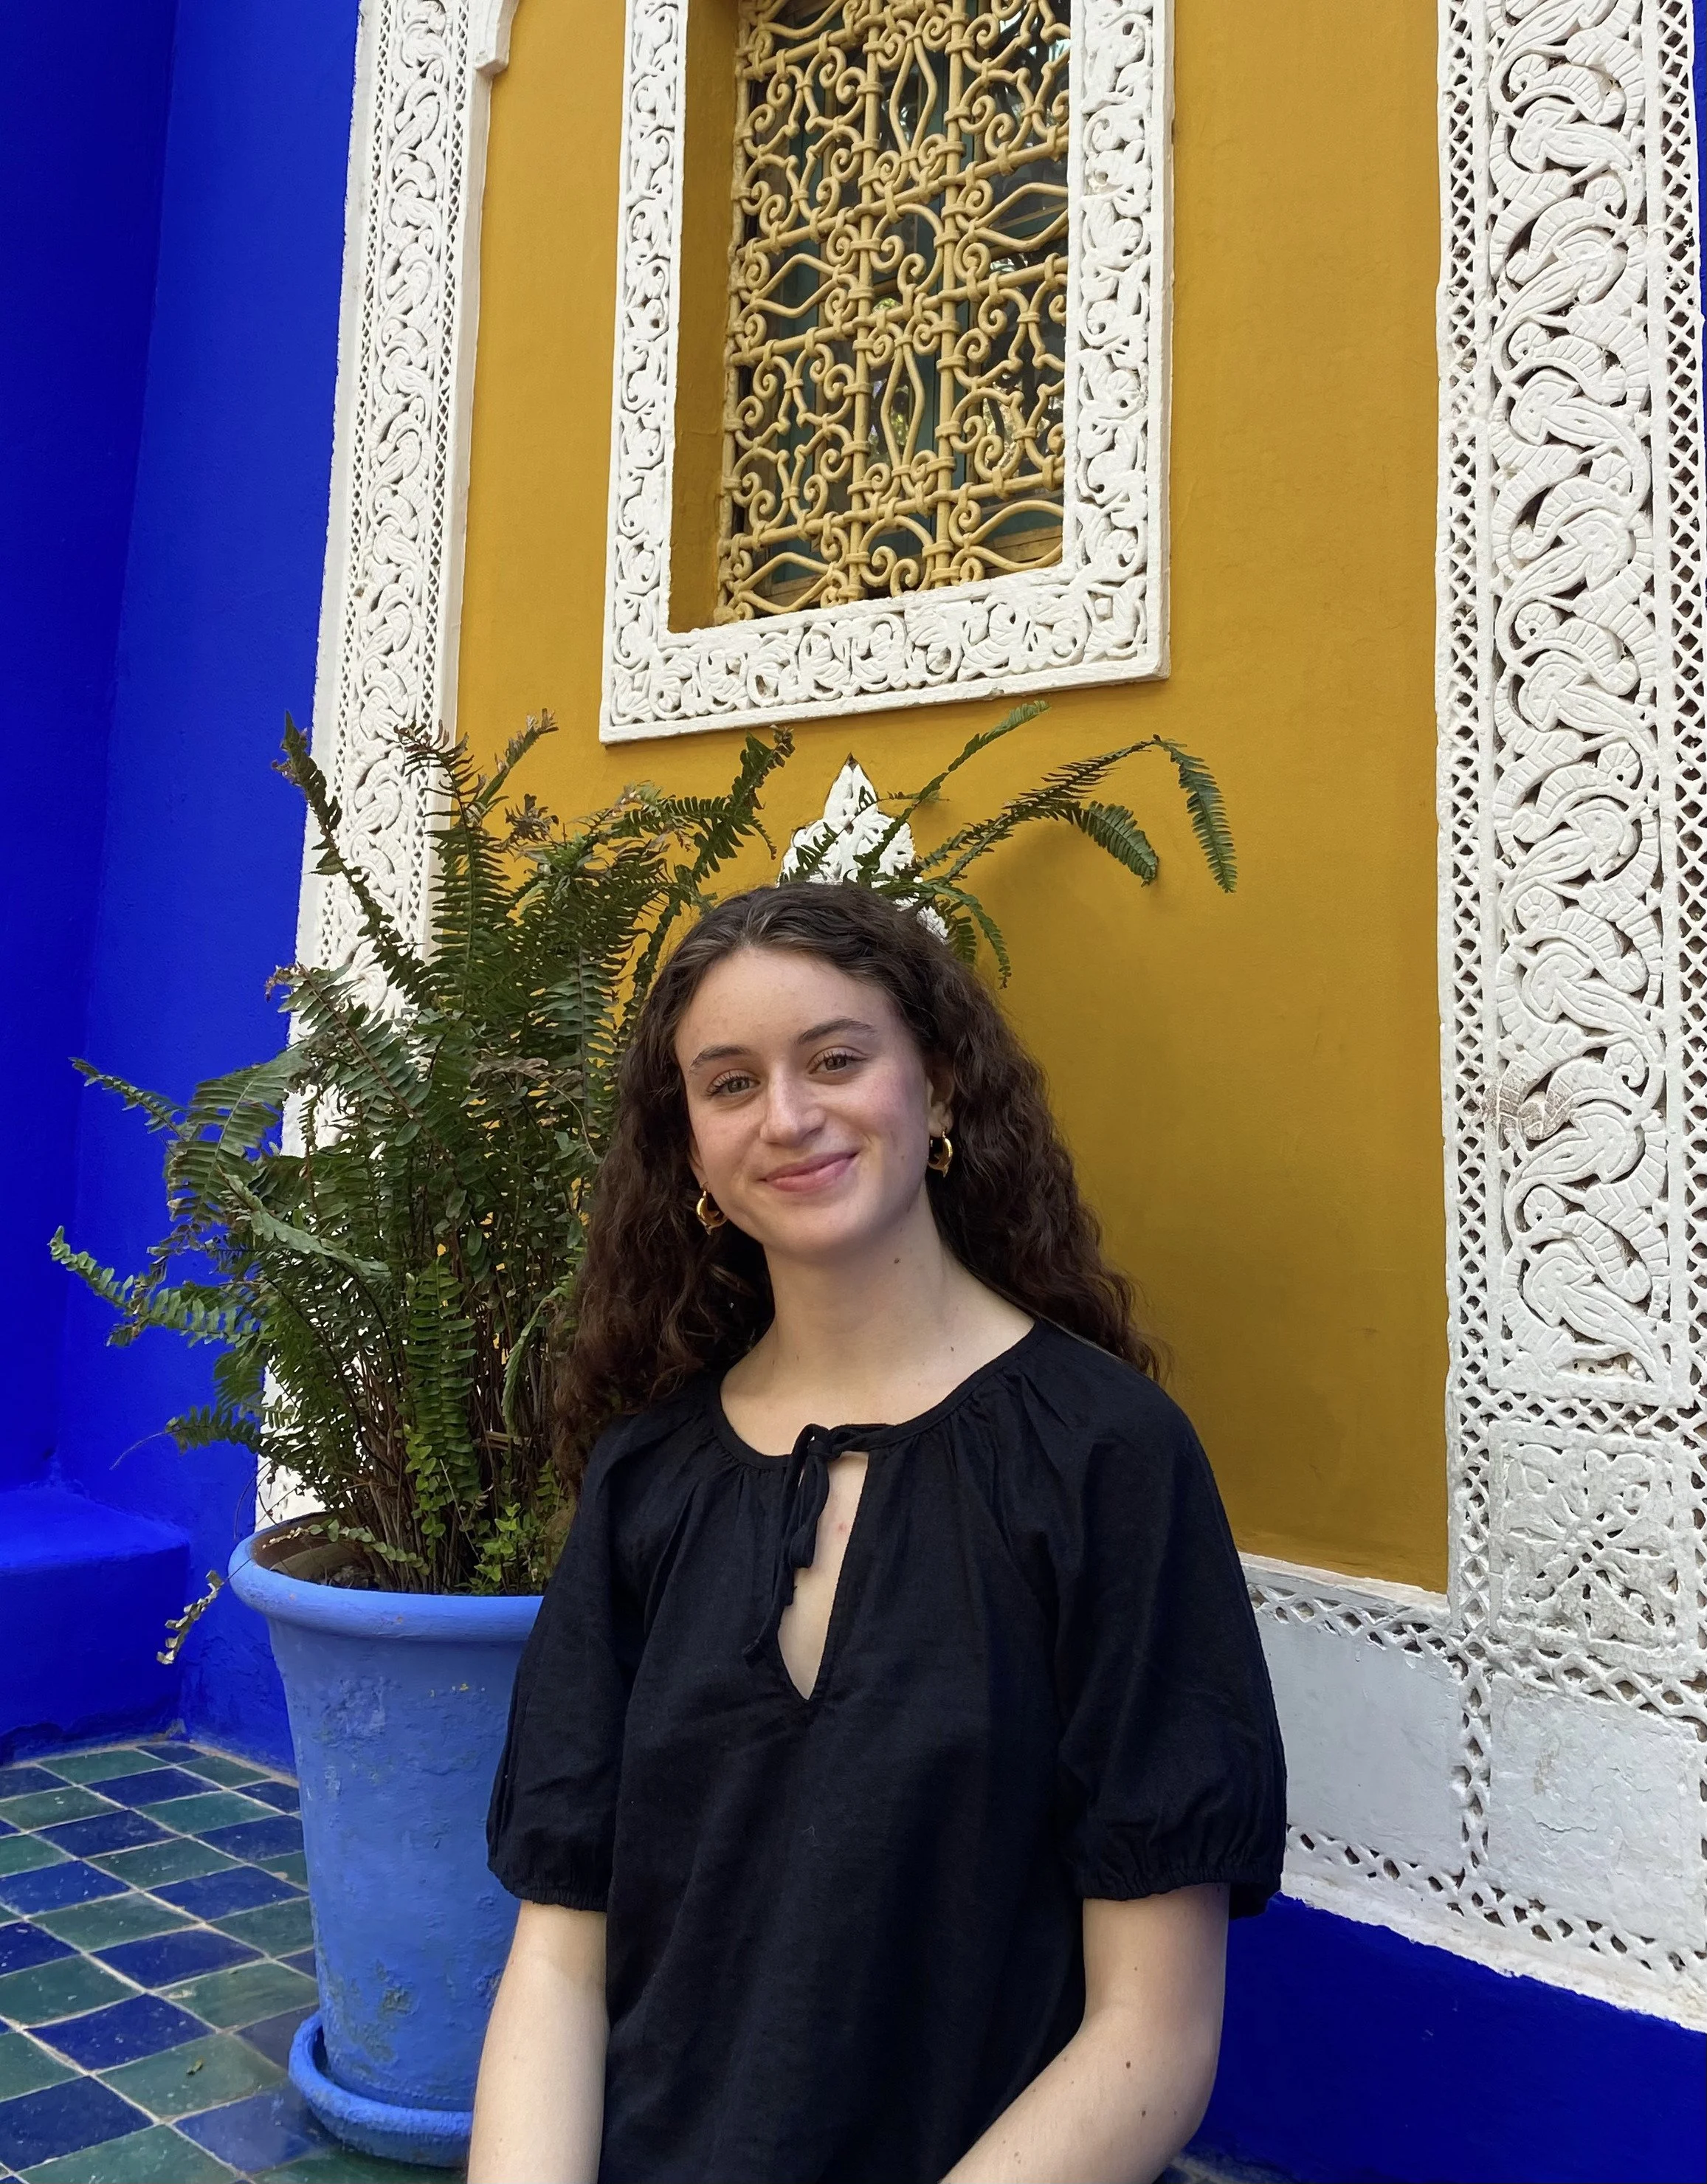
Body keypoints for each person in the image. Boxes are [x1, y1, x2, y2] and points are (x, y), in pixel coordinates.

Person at [470, 881, 1286, 2184]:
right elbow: (561, 1962)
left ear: (942, 1086)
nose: (788, 1118)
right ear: (689, 1149)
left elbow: (1158, 2031)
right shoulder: (644, 1482)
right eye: (728, 1084)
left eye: (837, 1059)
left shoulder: (1108, 1462)